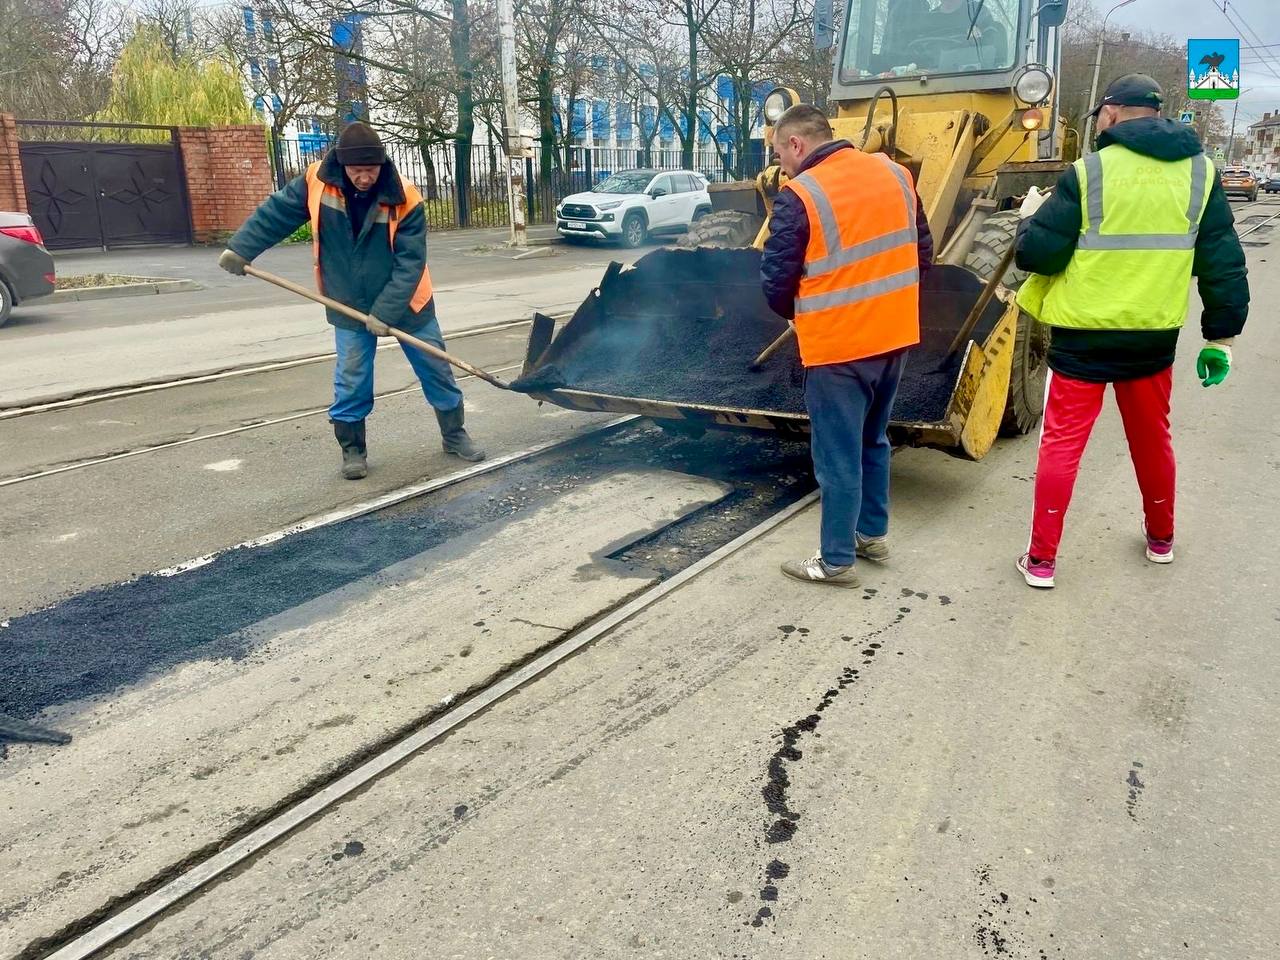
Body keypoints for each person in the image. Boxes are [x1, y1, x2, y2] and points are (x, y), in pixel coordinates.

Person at [1013, 74, 1249, 589]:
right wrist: (1220, 337)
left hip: (1083, 338)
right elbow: (1223, 261)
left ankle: (1042, 562)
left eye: (1100, 114)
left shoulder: (1089, 172)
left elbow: (1039, 254)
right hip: (1152, 337)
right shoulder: (1201, 175)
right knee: (1152, 440)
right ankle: (1161, 540)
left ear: (1113, 113)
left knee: (1061, 447)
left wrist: (1028, 220)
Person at [218, 121, 484, 480]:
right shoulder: (316, 181)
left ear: (382, 165)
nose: (363, 178)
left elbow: (410, 264)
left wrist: (385, 313)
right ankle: (353, 450)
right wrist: (241, 248)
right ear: (343, 165)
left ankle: (454, 435)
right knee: (352, 378)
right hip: (347, 301)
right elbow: (277, 213)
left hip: (409, 305)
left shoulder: (405, 196)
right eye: (356, 171)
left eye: (370, 170)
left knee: (436, 369)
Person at [760, 105, 933, 586]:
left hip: (838, 349)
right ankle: (870, 534)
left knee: (837, 457)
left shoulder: (802, 194)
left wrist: (803, 313)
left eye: (779, 152)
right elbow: (923, 253)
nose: (781, 164)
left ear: (796, 144)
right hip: (895, 338)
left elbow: (776, 280)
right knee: (873, 440)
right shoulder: (895, 173)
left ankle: (835, 560)